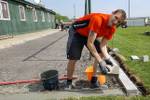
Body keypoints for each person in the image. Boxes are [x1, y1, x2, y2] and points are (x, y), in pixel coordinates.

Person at [66, 9, 126, 89]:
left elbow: (103, 46)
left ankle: (93, 81)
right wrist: (101, 62)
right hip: (77, 32)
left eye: (118, 22)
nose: (115, 22)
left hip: (89, 34)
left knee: (100, 53)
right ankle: (69, 82)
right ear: (112, 13)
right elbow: (90, 43)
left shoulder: (112, 29)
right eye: (116, 17)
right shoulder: (98, 19)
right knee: (73, 58)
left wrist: (107, 58)